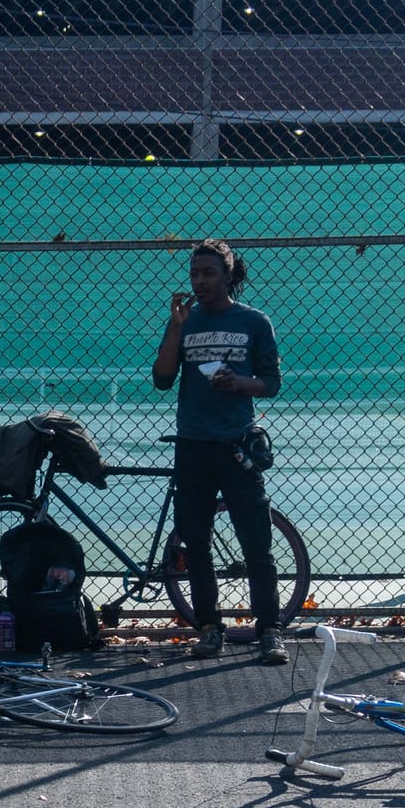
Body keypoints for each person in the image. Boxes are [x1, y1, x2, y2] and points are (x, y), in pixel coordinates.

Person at [153, 237, 287, 665]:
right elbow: (161, 378)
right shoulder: (184, 321)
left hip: (236, 445)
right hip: (193, 445)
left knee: (256, 541)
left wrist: (240, 384)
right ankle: (210, 627)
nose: (200, 280)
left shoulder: (254, 322)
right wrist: (175, 327)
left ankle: (270, 630)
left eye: (209, 272)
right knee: (196, 540)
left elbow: (271, 382)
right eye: (195, 273)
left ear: (229, 274)